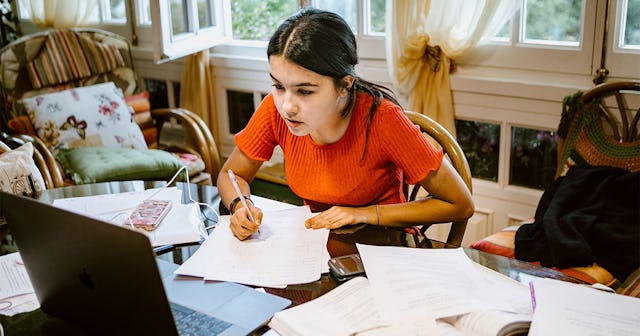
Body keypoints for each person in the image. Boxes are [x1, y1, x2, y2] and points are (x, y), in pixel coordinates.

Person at [217, 8, 474, 256]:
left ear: (344, 85)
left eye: (305, 91)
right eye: (278, 86)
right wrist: (241, 205)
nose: (287, 106)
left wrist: (362, 213)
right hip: (318, 248)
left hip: (384, 250)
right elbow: (233, 174)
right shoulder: (276, 111)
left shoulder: (383, 120)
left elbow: (460, 204)